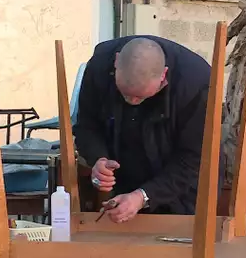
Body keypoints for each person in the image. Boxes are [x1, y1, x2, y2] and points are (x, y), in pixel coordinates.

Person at [73, 35, 224, 223]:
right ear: (116, 62)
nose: (132, 102)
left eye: (140, 97)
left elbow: (195, 158)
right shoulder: (99, 66)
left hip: (182, 190)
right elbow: (86, 125)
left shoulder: (196, 83)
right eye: (125, 94)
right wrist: (98, 159)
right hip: (123, 185)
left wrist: (144, 196)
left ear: (164, 75)